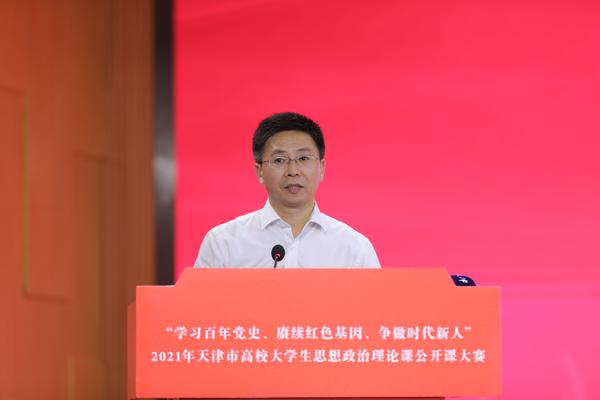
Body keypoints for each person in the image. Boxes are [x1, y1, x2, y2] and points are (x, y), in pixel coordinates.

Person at [194, 112, 380, 268]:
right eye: (279, 160)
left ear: (321, 168)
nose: (293, 171)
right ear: (259, 171)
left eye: (303, 158)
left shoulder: (354, 249)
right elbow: (199, 302)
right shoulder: (223, 243)